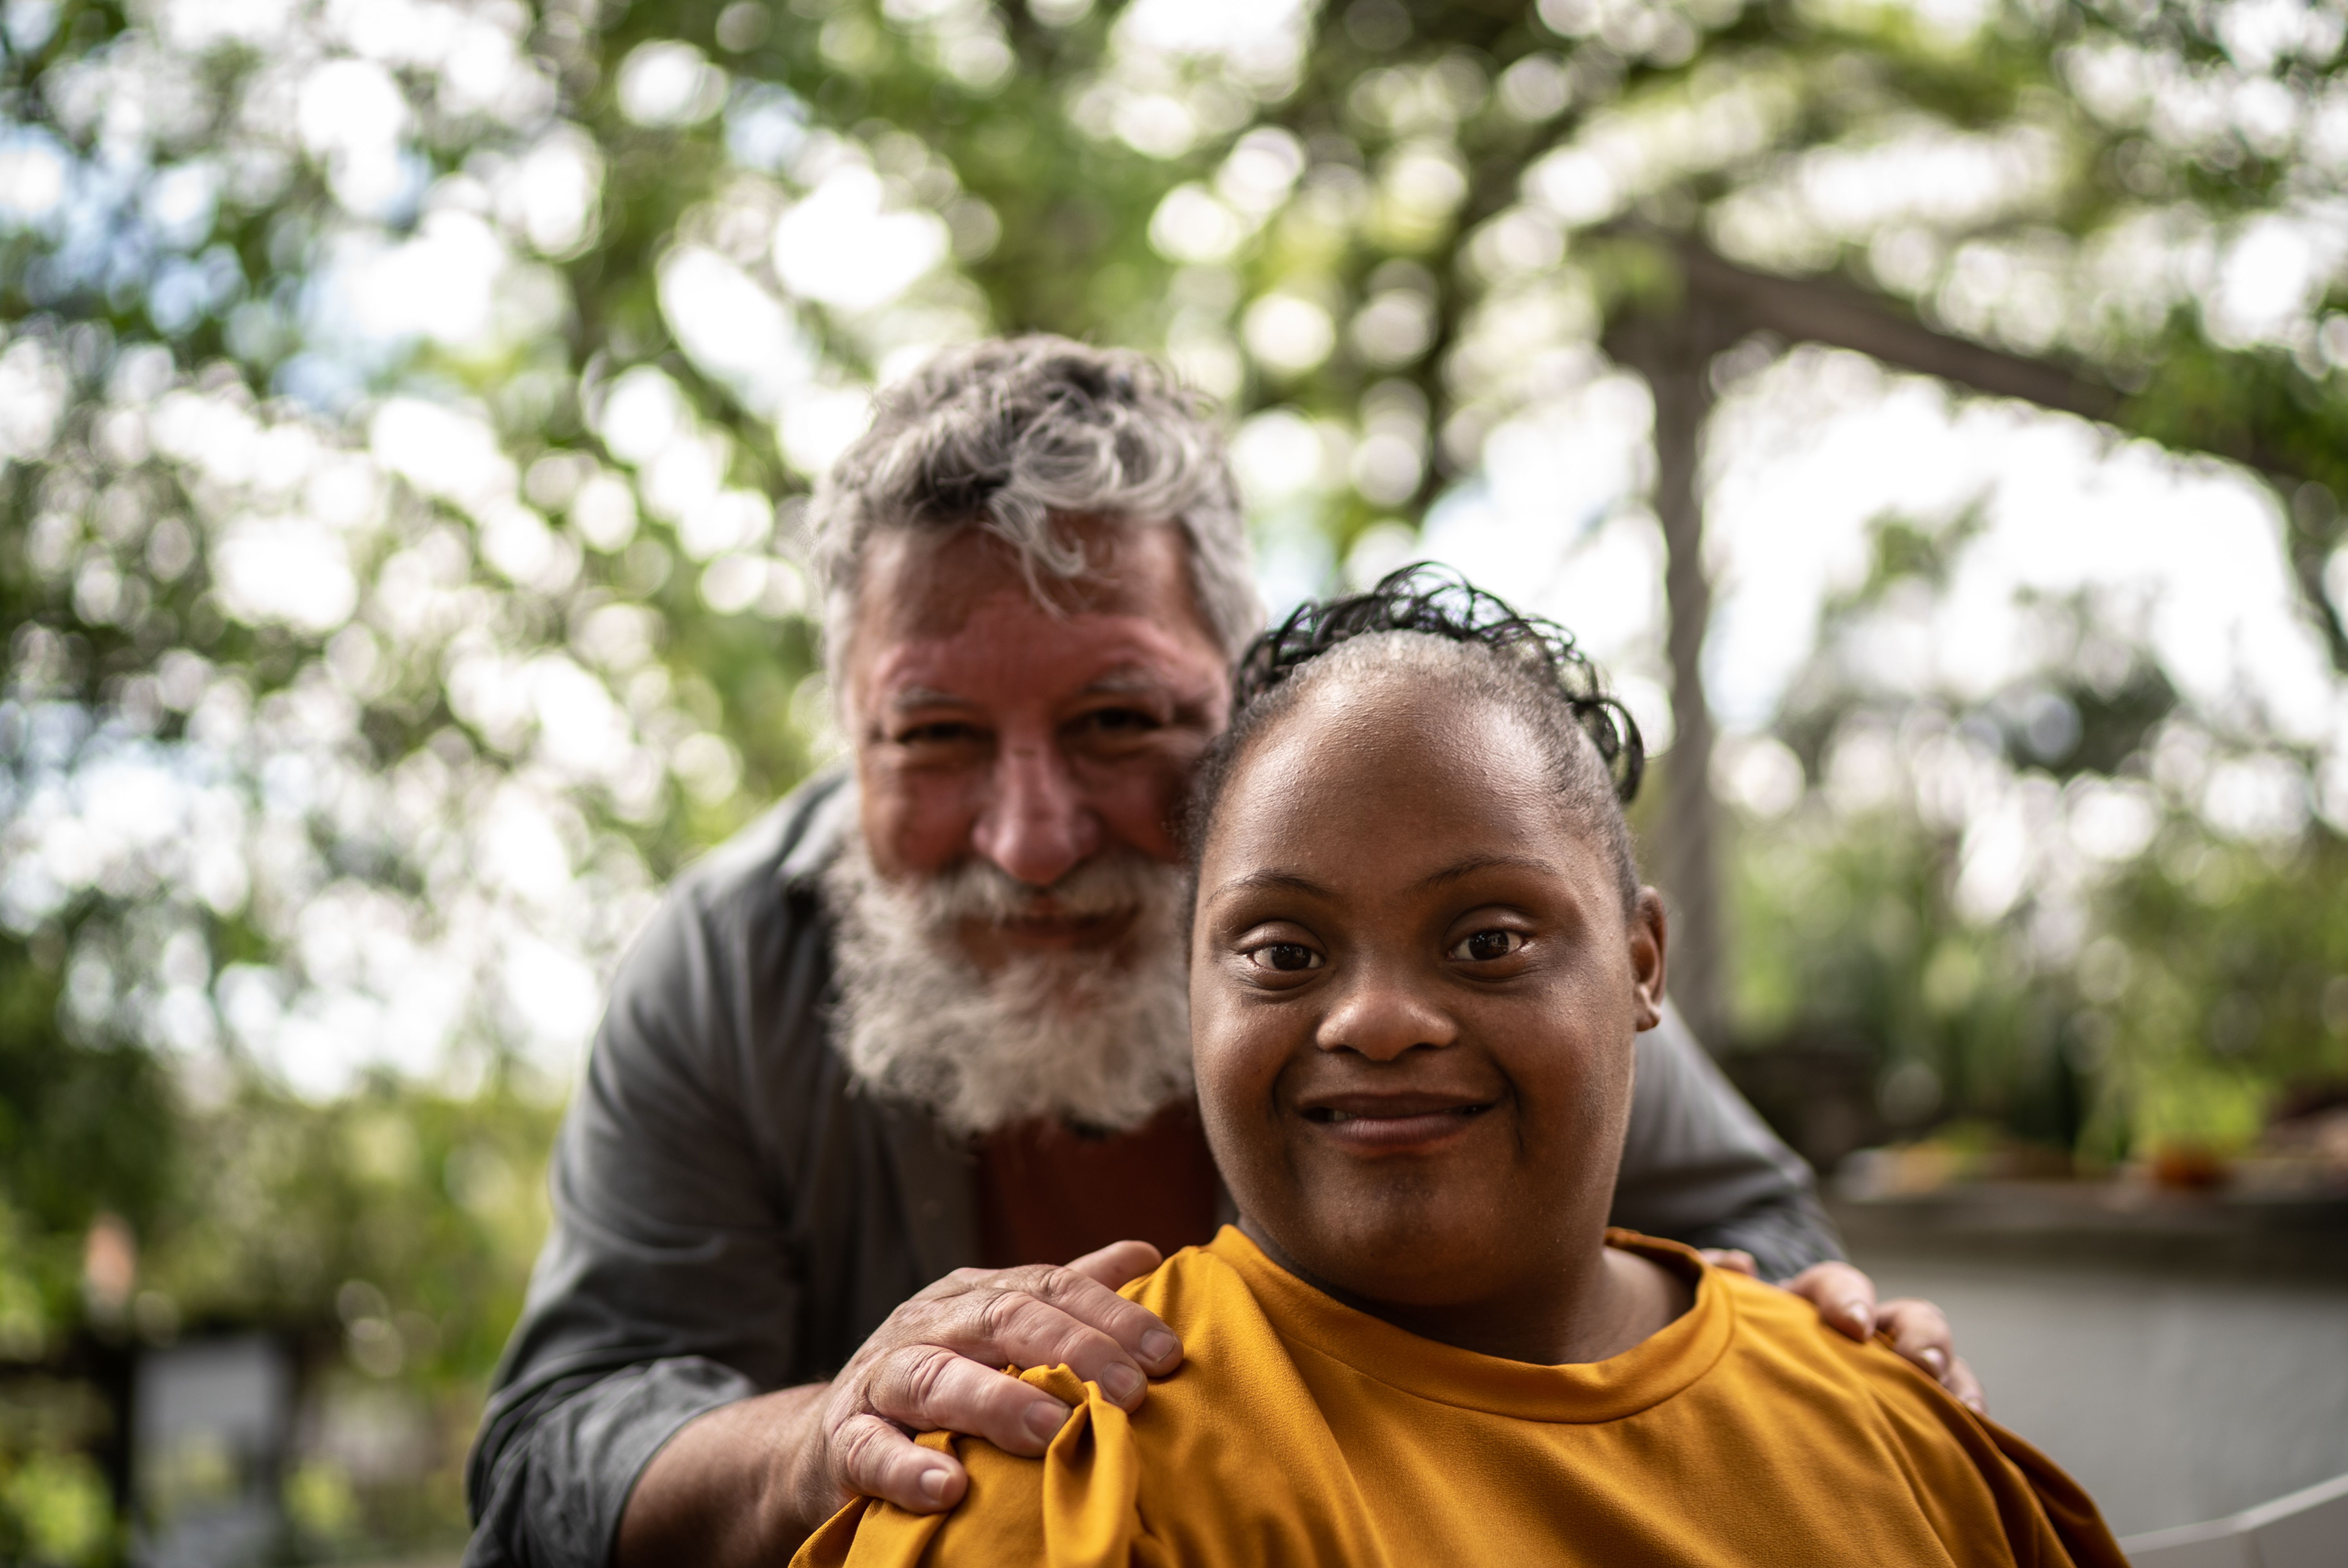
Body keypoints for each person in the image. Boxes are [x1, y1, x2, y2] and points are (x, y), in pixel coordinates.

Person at [464, 339, 1979, 1568]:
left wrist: (1839, 1354)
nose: (1034, 839)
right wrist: (819, 1444)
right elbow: (546, 1466)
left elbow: (1753, 1244)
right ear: (850, 742)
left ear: (1243, 709)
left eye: (1118, 719)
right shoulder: (733, 964)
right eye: (933, 738)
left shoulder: (1459, 928)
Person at [798, 574, 2121, 1568]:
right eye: (1282, 951)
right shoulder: (1057, 1474)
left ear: (1642, 966)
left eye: (1488, 940)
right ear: (1187, 996)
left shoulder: (1895, 1429)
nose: (1378, 1020)